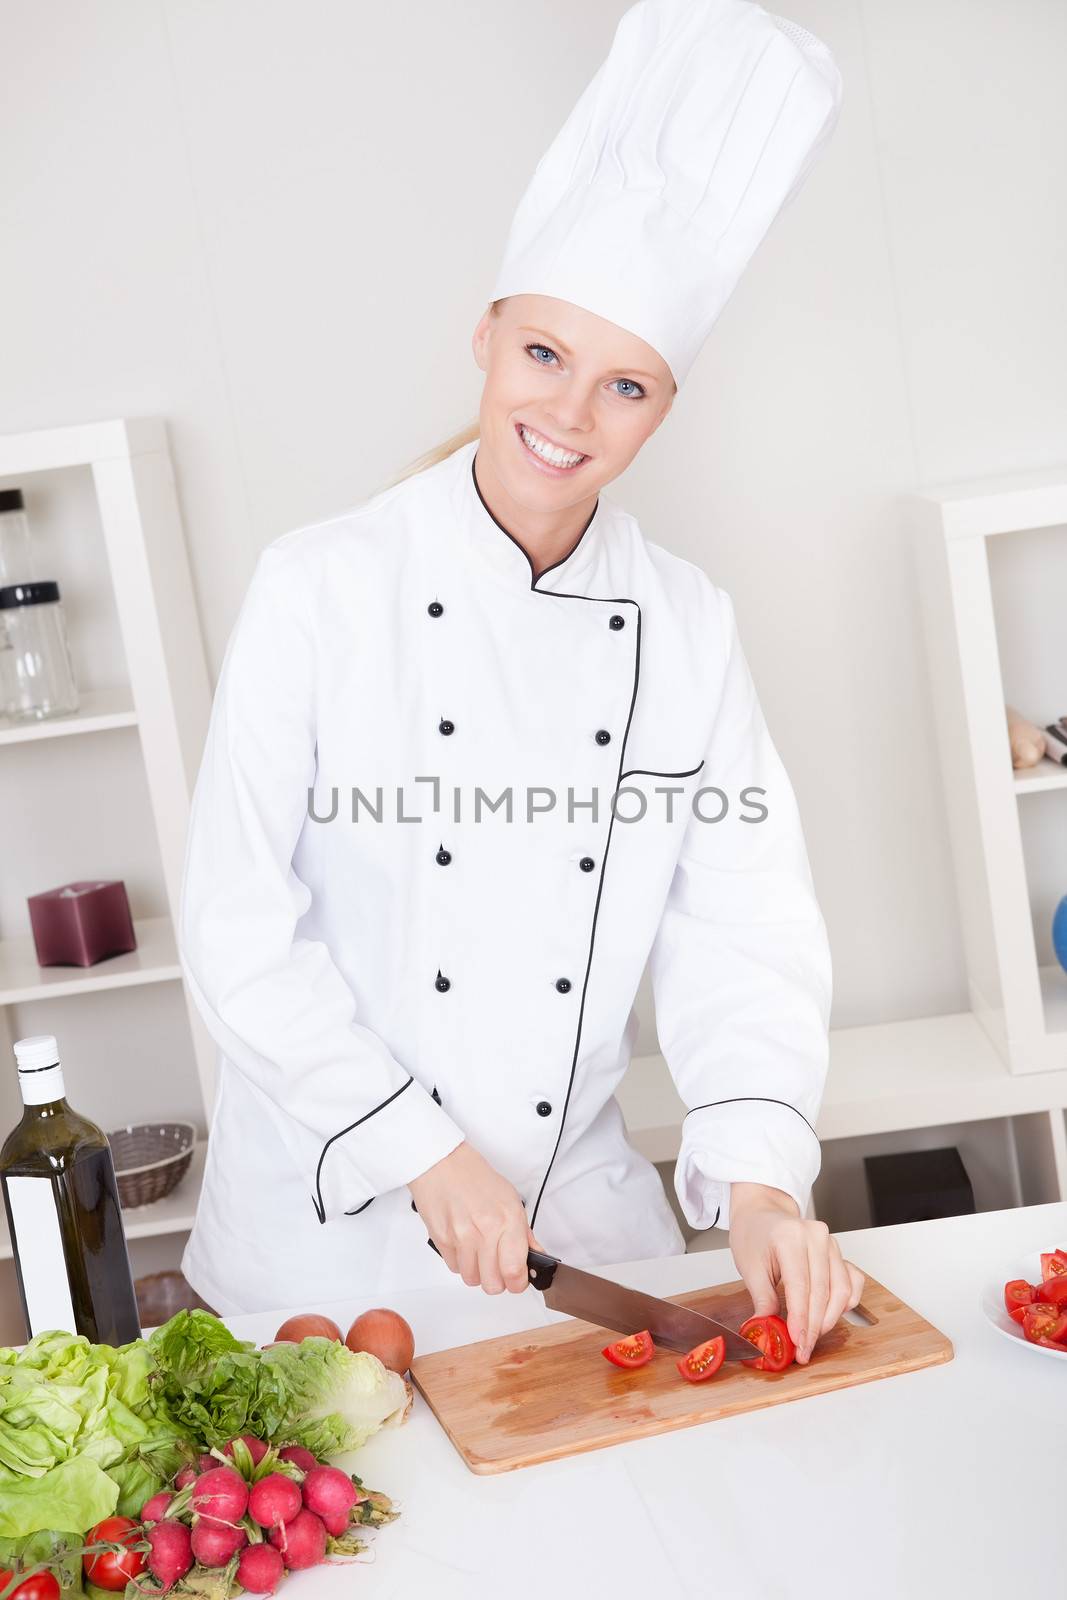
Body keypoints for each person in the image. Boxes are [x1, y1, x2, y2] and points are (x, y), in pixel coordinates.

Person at [178, 0, 864, 1365]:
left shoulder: (685, 625)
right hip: (328, 1243)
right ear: (484, 337)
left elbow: (743, 927)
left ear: (662, 412)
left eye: (626, 387)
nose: (569, 415)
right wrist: (419, 1148)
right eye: (545, 355)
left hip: (570, 1239)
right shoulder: (321, 588)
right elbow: (239, 927)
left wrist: (761, 1182)